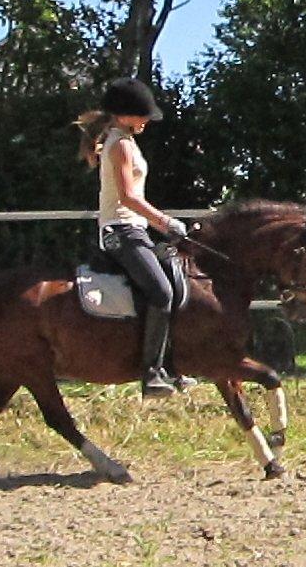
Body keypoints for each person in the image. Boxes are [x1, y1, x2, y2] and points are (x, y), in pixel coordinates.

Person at [75, 77, 193, 398]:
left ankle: (170, 367)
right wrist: (166, 222)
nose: (146, 121)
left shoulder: (125, 140)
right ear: (124, 114)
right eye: (142, 115)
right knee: (161, 292)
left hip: (135, 229)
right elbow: (127, 197)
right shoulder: (121, 145)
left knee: (175, 279)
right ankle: (150, 374)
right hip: (121, 231)